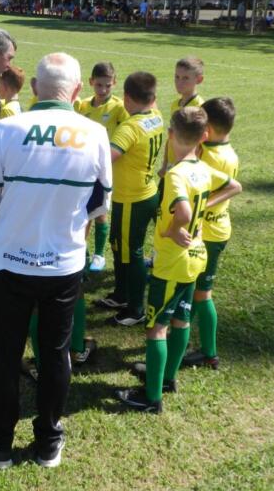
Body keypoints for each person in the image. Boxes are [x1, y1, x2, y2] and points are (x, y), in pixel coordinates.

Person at [0, 53, 112, 469]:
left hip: (9, 262)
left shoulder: (8, 129)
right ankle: (49, 442)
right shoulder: (95, 133)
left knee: (6, 353)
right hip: (63, 265)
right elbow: (99, 205)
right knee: (54, 354)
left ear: (33, 87)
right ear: (78, 90)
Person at [116, 107, 241, 413]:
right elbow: (234, 186)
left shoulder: (175, 175)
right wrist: (200, 214)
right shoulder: (201, 167)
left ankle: (151, 397)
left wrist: (175, 229)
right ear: (202, 137)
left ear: (171, 135)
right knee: (181, 319)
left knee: (156, 328)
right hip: (196, 257)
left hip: (173, 261)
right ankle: (168, 378)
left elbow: (183, 212)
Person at [181, 97, 239, 369]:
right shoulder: (228, 151)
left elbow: (220, 189)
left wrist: (201, 206)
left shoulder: (211, 157)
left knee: (202, 293)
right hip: (218, 227)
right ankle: (182, 338)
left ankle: (208, 352)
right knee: (196, 290)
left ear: (209, 130)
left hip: (210, 233)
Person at [102, 73, 164, 327]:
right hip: (145, 192)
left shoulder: (130, 127)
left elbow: (107, 156)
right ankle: (121, 294)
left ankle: (136, 309)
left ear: (127, 98)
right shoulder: (156, 116)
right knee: (119, 246)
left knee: (132, 253)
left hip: (132, 199)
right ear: (153, 97)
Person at [74, 61, 128, 273]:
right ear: (90, 83)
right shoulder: (83, 106)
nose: (103, 90)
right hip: (85, 166)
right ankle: (82, 252)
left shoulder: (119, 107)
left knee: (101, 210)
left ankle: (99, 254)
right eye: (99, 85)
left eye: (108, 85)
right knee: (84, 210)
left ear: (114, 83)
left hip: (106, 166)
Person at [160, 57, 205, 176]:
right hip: (171, 165)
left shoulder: (200, 108)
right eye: (177, 77)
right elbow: (171, 137)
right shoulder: (175, 105)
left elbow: (202, 144)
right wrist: (165, 164)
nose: (179, 82)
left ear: (199, 79)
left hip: (186, 168)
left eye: (186, 78)